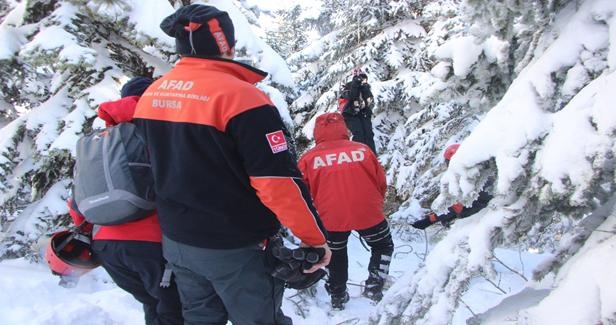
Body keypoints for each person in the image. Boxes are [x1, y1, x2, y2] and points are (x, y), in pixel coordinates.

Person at [133, 4, 330, 324]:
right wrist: (314, 238)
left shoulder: (152, 95)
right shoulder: (243, 99)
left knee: (200, 319)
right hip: (235, 246)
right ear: (226, 44)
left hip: (178, 241)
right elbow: (276, 182)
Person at [68, 76, 183, 325]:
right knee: (176, 311)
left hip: (106, 247)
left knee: (154, 305)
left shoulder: (99, 140)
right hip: (152, 244)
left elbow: (77, 202)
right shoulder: (158, 133)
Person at [297, 112, 394, 309]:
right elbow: (381, 182)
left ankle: (338, 296)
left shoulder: (308, 159)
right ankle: (374, 287)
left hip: (330, 218)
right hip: (368, 213)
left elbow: (301, 194)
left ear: (317, 132)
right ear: (344, 128)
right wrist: (374, 204)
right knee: (383, 246)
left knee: (335, 254)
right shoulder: (363, 150)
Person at [412, 143, 494, 230]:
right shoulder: (477, 172)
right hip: (484, 214)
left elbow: (456, 207)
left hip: (478, 220)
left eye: (448, 163)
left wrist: (430, 220)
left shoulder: (469, 180)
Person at [339, 68, 377, 155]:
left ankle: (372, 155)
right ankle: (358, 155)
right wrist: (355, 84)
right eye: (361, 78)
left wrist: (365, 88)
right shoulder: (348, 86)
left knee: (368, 134)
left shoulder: (365, 87)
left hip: (363, 113)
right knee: (358, 134)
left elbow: (369, 99)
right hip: (350, 113)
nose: (362, 81)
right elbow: (351, 96)